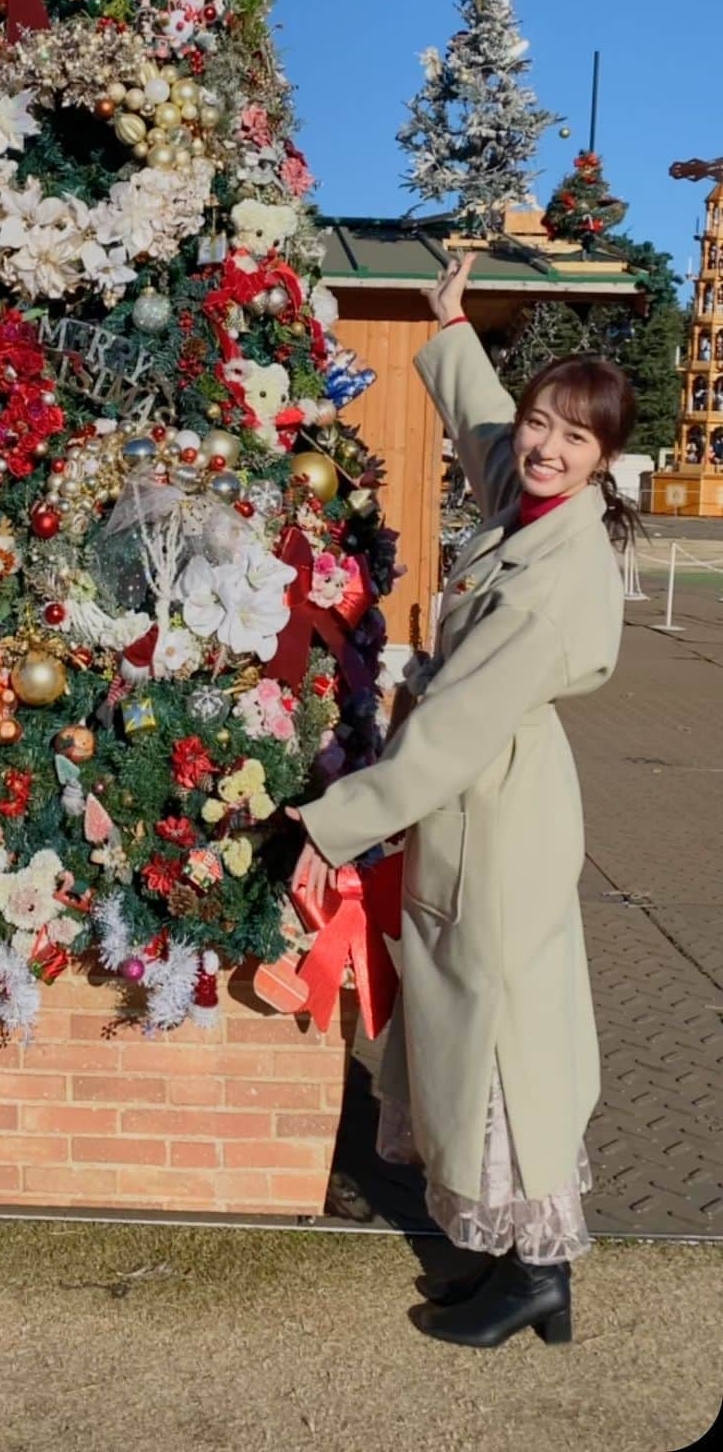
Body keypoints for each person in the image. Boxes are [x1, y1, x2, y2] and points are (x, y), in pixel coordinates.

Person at [294, 251, 636, 1350]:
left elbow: (447, 736)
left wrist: (331, 827)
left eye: (573, 438)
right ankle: (509, 1262)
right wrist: (450, 329)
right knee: (479, 1026)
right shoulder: (536, 509)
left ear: (604, 463)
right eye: (543, 421)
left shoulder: (552, 579)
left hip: (498, 809)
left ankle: (538, 1274)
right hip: (484, 802)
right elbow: (492, 439)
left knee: (504, 1041)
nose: (543, 445)